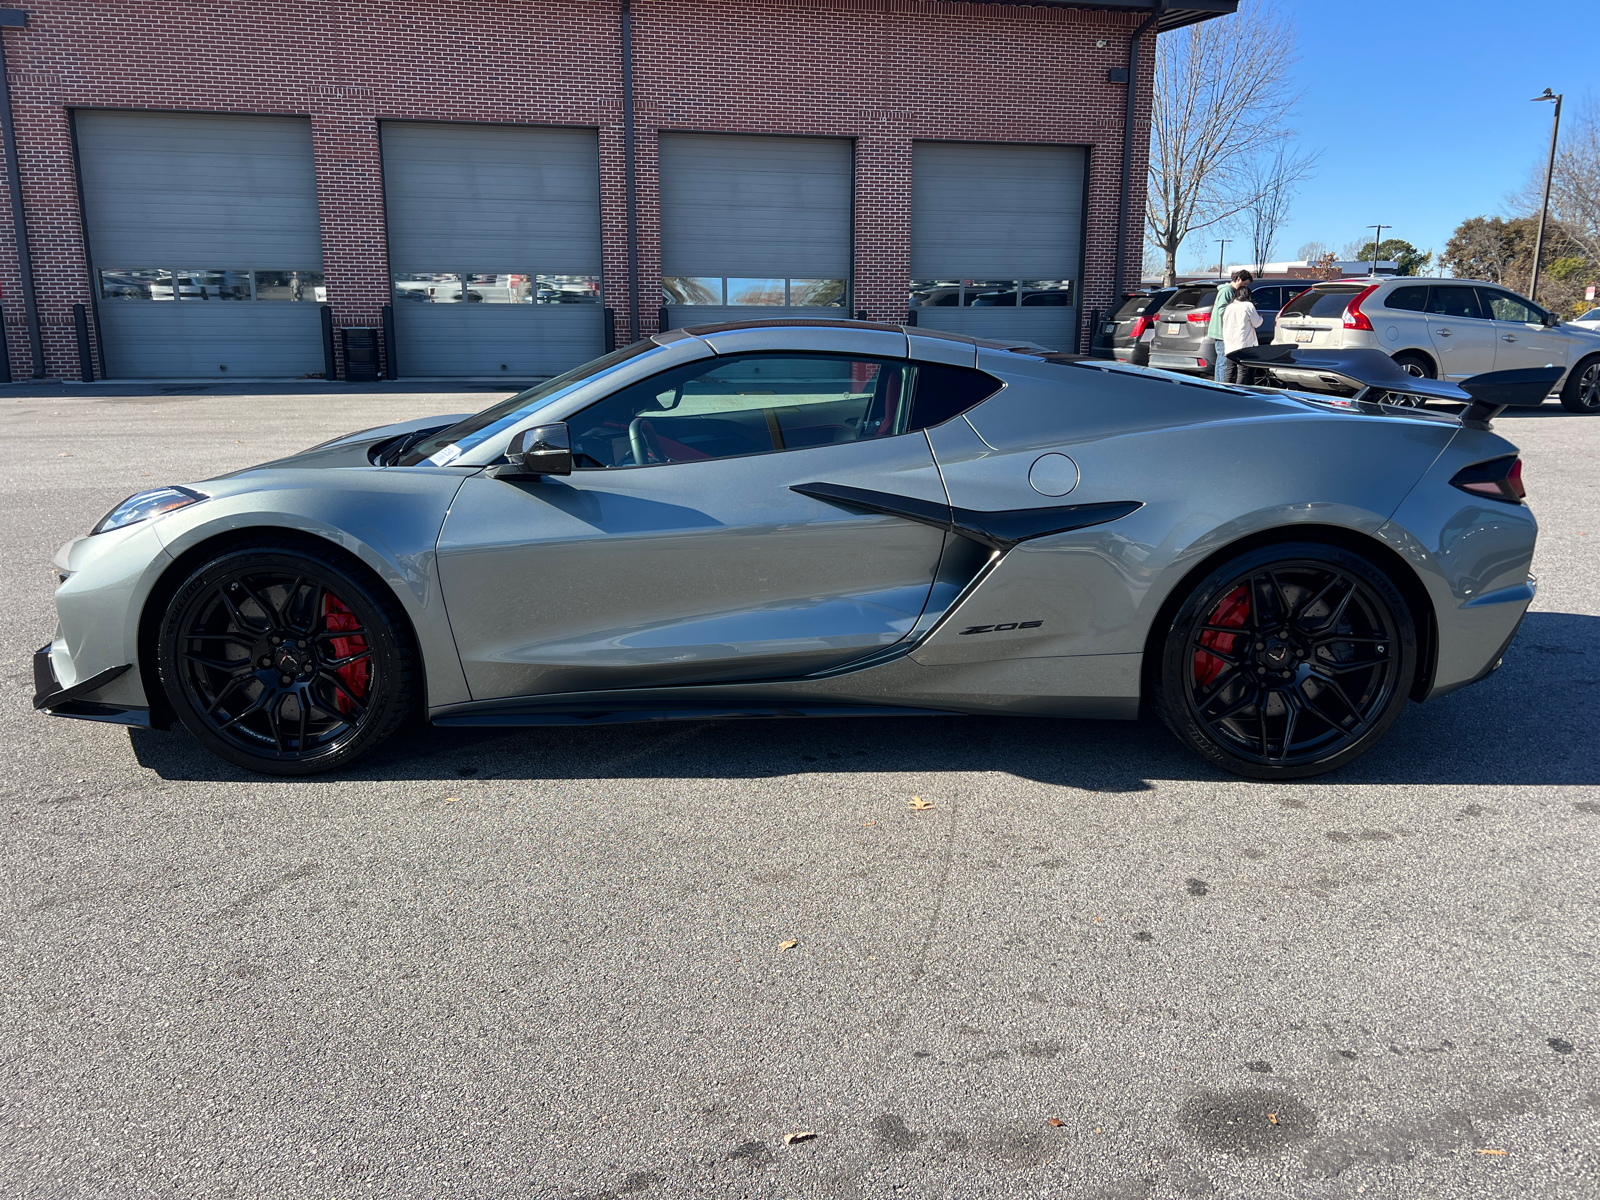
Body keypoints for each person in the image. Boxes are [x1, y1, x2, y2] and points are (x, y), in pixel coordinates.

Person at [1205, 268, 1253, 382]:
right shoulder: (1227, 290)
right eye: (1244, 283)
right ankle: (1221, 387)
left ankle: (1217, 385)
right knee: (1224, 363)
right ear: (1238, 279)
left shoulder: (1229, 290)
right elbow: (1221, 309)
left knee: (1221, 362)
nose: (1245, 287)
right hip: (1222, 331)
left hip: (1222, 331)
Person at [1219, 281, 1263, 384]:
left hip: (1230, 342)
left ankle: (1226, 391)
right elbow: (1257, 323)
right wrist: (1260, 317)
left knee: (1229, 370)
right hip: (1243, 343)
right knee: (1242, 371)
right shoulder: (1248, 305)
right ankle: (1239, 393)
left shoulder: (1229, 307)